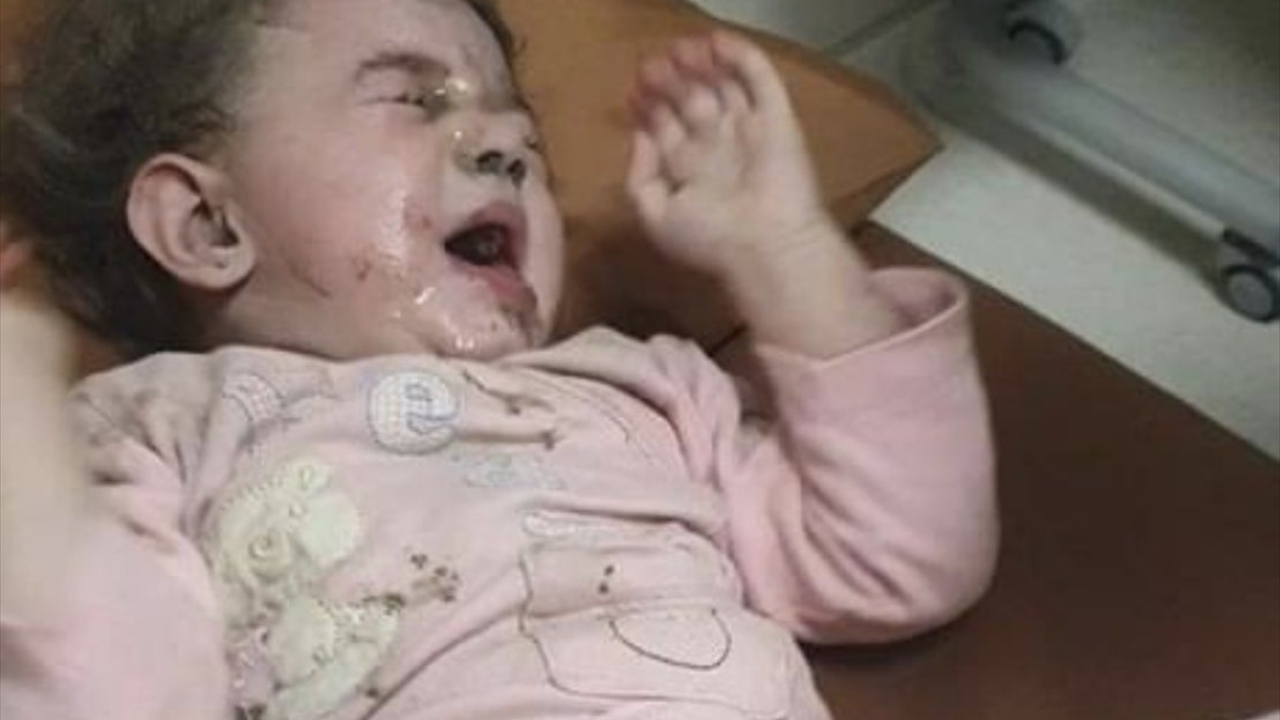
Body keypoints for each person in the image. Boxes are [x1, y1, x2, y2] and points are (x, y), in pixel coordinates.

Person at [0, 0, 999, 718]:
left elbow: (897, 558)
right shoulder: (158, 424)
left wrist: (782, 250)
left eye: (526, 137)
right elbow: (118, 685)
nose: (505, 143)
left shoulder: (643, 390)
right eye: (413, 99)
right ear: (208, 225)